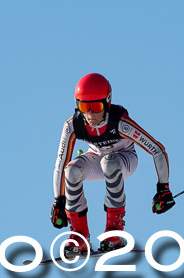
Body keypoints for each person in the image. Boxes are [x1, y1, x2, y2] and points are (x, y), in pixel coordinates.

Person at [50, 73, 175, 257]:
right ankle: (79, 236)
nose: (90, 113)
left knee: (109, 163)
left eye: (96, 106)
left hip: (124, 158)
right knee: (72, 171)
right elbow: (61, 164)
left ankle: (114, 232)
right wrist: (59, 201)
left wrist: (163, 188)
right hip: (96, 157)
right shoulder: (73, 125)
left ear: (107, 103)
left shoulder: (120, 123)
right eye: (84, 106)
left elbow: (157, 149)